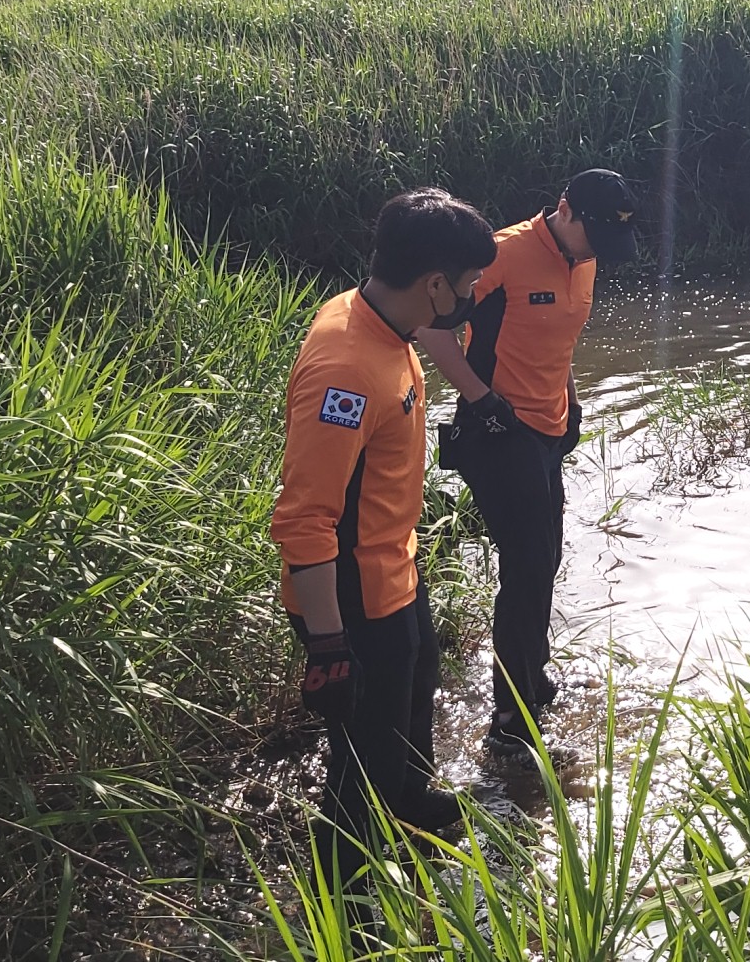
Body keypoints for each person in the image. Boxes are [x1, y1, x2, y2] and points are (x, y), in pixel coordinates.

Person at [270, 187, 498, 878]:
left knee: (417, 680)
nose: (473, 295)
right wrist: (329, 646)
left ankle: (408, 799)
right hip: (353, 596)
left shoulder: (383, 321)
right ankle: (349, 895)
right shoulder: (346, 370)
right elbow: (305, 517)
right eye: (468, 283)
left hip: (393, 565)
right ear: (434, 285)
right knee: (363, 755)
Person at [418, 168, 640, 771]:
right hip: (497, 431)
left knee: (548, 558)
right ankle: (510, 724)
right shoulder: (504, 255)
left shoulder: (585, 259)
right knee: (527, 567)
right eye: (592, 234)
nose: (596, 251)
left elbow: (557, 339)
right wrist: (480, 399)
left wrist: (572, 401)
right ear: (564, 210)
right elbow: (429, 325)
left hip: (548, 430)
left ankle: (530, 677)